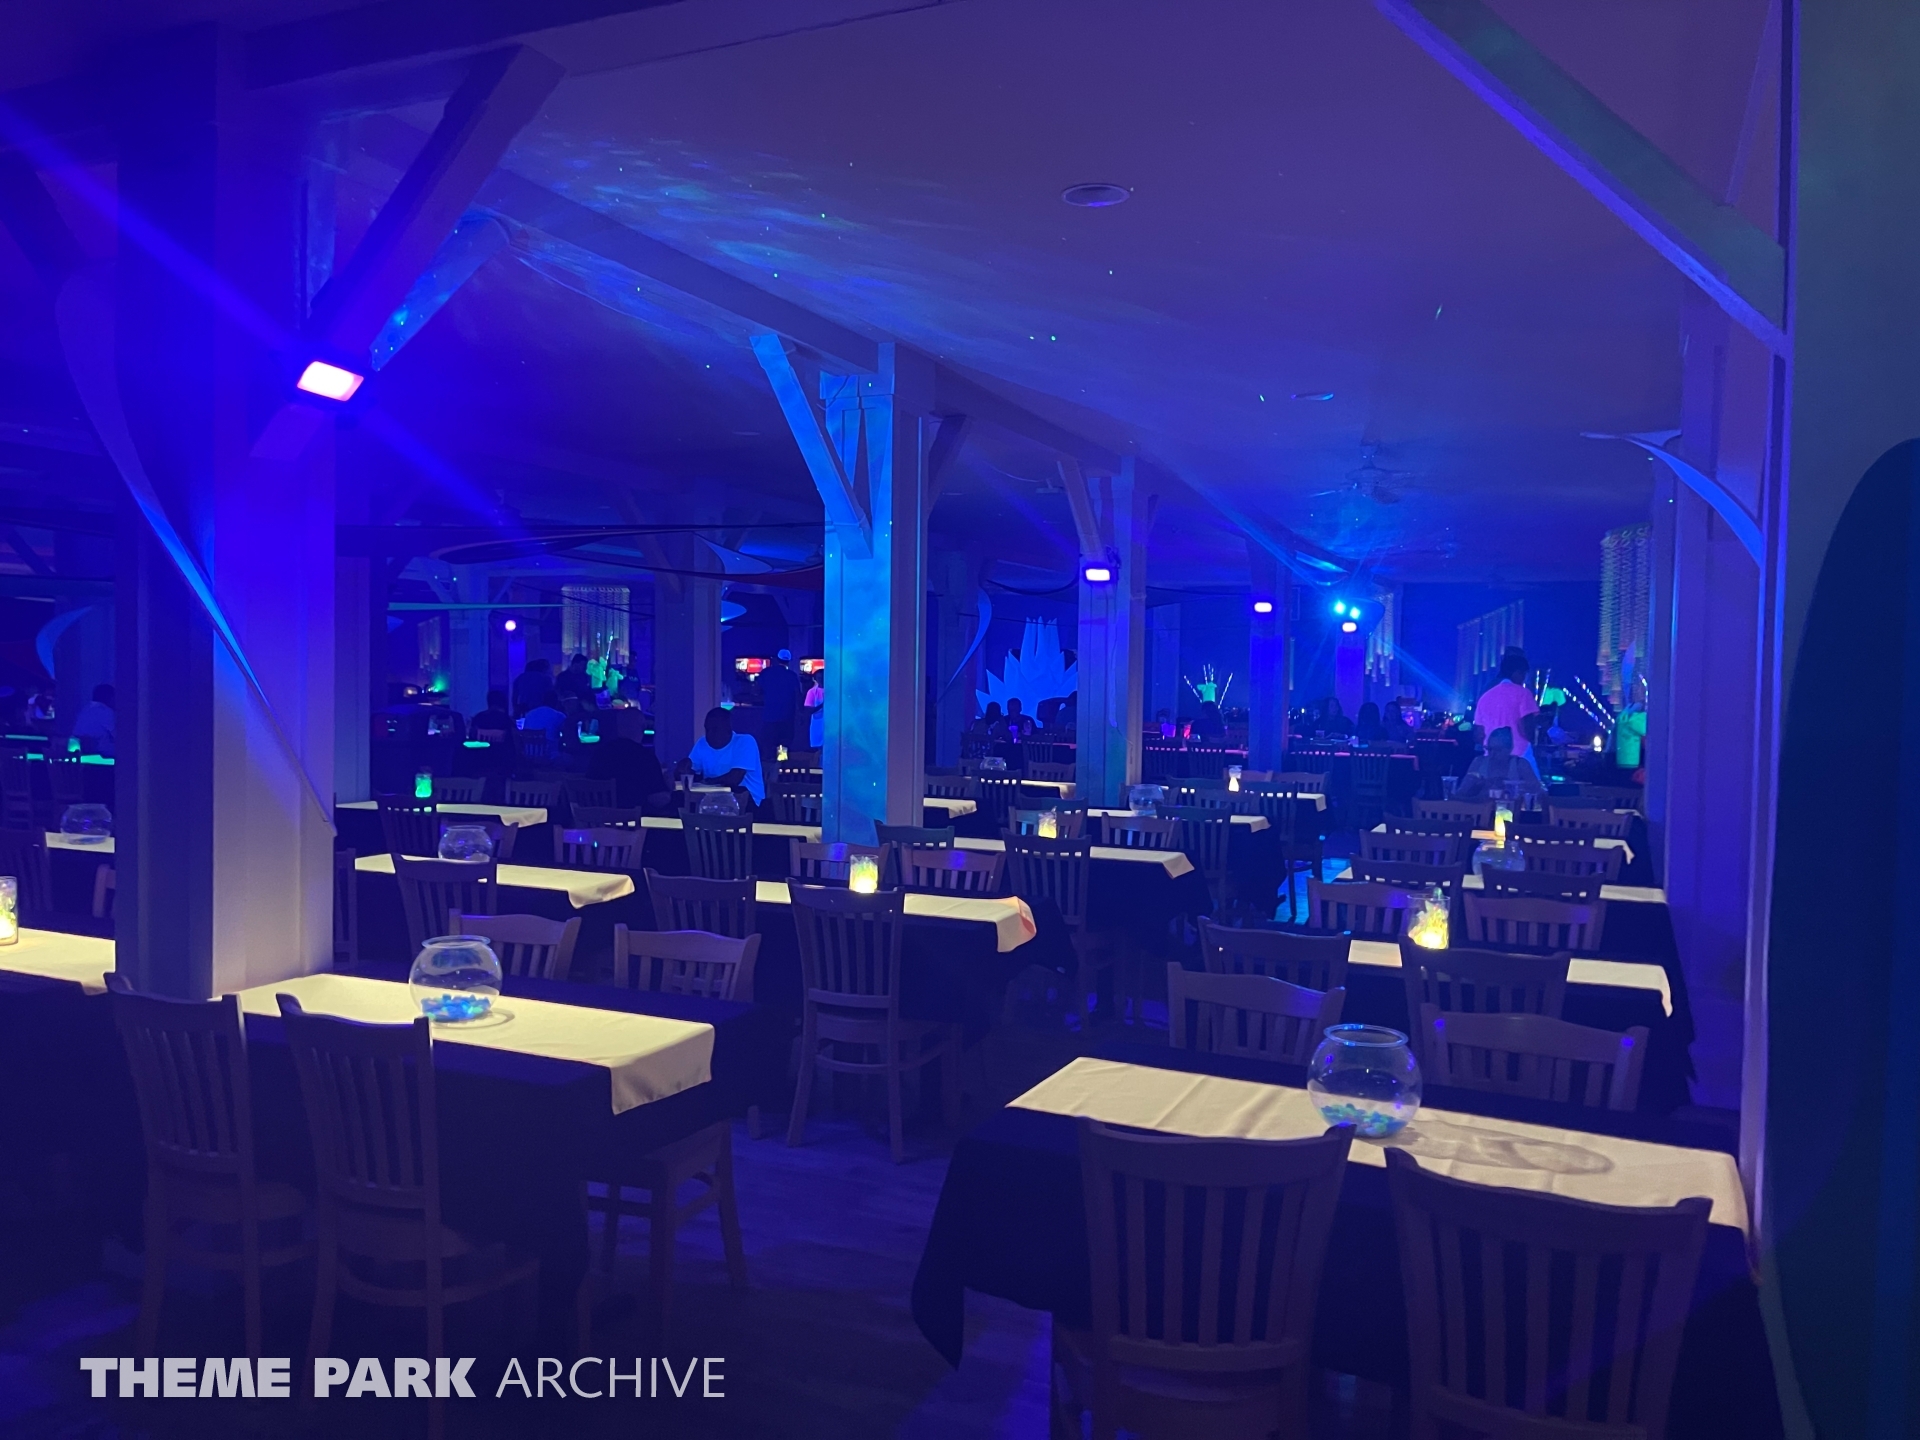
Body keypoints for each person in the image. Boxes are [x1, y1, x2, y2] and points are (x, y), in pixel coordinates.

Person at [677, 705, 766, 808]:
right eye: (707, 729)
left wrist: (708, 782)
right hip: (713, 801)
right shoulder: (702, 743)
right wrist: (684, 768)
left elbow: (734, 779)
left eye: (715, 729)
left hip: (748, 803)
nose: (709, 734)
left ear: (728, 729)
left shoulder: (745, 742)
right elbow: (690, 772)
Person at [1473, 647, 1539, 760]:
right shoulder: (1523, 693)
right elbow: (1527, 729)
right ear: (1518, 672)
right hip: (1519, 755)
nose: (1524, 679)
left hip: (1491, 756)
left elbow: (1479, 733)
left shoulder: (1485, 695)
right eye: (1523, 674)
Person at [1452, 726, 1545, 801]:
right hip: (1480, 813)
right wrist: (1474, 786)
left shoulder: (1520, 765)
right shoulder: (1478, 762)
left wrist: (1513, 787)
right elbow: (1460, 794)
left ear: (1509, 749)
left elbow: (1539, 793)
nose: (1492, 754)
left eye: (1497, 750)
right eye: (1490, 749)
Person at [761, 649, 800, 751]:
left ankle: (769, 759)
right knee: (783, 744)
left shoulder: (766, 673)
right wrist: (800, 712)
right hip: (787, 717)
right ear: (788, 661)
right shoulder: (792, 676)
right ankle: (781, 760)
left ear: (776, 659)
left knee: (769, 744)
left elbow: (756, 691)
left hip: (769, 716)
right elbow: (797, 695)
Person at [69, 683, 115, 757]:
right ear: (110, 697)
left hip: (80, 755)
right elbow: (118, 736)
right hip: (103, 756)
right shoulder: (106, 712)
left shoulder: (83, 710)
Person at [804, 668, 825, 751]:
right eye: (819, 678)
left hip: (832, 724)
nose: (821, 680)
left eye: (823, 677)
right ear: (815, 679)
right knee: (819, 748)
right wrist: (822, 705)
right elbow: (808, 710)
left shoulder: (834, 691)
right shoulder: (812, 692)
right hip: (818, 724)